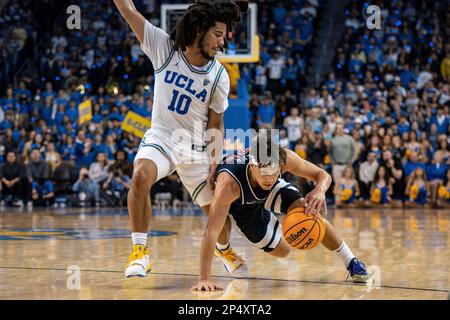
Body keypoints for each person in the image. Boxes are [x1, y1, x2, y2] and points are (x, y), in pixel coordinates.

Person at [113, 0, 248, 278]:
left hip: (196, 148)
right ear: (199, 29)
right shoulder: (164, 48)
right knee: (140, 176)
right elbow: (129, 11)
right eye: (219, 34)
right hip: (162, 137)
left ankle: (223, 248)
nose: (223, 42)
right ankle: (140, 252)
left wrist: (214, 163)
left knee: (220, 212)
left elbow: (217, 123)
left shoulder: (219, 75)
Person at [191, 131, 369, 291]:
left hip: (270, 193)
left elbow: (322, 175)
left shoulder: (284, 158)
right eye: (265, 173)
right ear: (253, 166)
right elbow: (210, 232)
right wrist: (204, 279)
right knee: (228, 230)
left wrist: (320, 189)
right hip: (241, 203)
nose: (269, 178)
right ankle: (223, 250)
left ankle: (352, 262)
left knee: (308, 215)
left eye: (274, 173)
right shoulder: (228, 185)